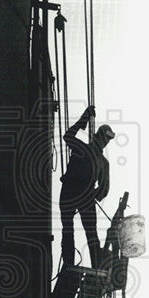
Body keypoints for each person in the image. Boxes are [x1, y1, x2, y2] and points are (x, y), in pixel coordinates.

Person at [60, 106, 115, 268]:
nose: (103, 142)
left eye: (106, 140)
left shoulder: (103, 163)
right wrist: (83, 119)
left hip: (83, 195)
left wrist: (94, 196)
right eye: (103, 138)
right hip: (70, 190)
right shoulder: (82, 148)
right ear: (97, 136)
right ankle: (69, 265)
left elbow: (104, 189)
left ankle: (96, 267)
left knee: (91, 235)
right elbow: (68, 136)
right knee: (68, 229)